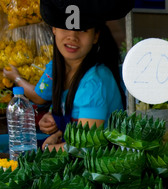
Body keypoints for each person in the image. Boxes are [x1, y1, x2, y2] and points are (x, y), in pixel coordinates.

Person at [5, 0, 133, 151]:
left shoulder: (94, 82)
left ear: (95, 36)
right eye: (65, 28)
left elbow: (87, 144)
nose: (72, 37)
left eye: (83, 30)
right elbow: (80, 123)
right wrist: (58, 132)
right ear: (54, 29)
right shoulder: (58, 69)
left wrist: (50, 148)